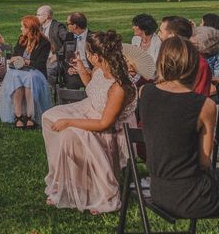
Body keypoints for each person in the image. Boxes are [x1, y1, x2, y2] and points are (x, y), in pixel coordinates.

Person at [42, 31, 137, 214]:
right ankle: (68, 183)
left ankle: (103, 191)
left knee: (69, 135)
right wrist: (81, 69)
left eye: (88, 53)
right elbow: (93, 88)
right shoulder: (101, 68)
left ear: (97, 56)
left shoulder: (120, 86)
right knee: (49, 118)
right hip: (91, 109)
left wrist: (69, 122)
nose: (86, 56)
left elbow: (104, 124)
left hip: (109, 128)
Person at [139, 36, 219, 219]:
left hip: (159, 191)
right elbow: (205, 162)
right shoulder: (204, 105)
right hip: (194, 197)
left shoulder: (145, 93)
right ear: (193, 66)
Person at [0, 15, 52, 128]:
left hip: (36, 71)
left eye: (23, 27)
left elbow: (39, 64)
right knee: (15, 77)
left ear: (30, 28)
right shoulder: (22, 39)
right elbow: (14, 56)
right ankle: (18, 115)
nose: (21, 29)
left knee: (30, 78)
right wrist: (18, 60)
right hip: (19, 69)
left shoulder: (44, 43)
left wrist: (25, 61)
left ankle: (30, 116)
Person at [158, 16, 211, 96]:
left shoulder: (198, 64)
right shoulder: (166, 56)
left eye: (161, 32)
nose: (158, 35)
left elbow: (199, 99)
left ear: (172, 36)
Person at [36, 5, 68, 91]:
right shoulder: (39, 28)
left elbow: (68, 41)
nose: (36, 17)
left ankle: (48, 95)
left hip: (54, 59)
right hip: (40, 58)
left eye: (38, 15)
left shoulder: (58, 26)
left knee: (48, 70)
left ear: (46, 16)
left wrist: (58, 55)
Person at [61, 12, 91, 89]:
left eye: (67, 24)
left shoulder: (93, 37)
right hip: (75, 71)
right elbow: (64, 56)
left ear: (74, 26)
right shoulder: (69, 37)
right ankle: (72, 101)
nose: (66, 26)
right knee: (71, 81)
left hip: (92, 70)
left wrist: (89, 70)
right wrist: (69, 68)